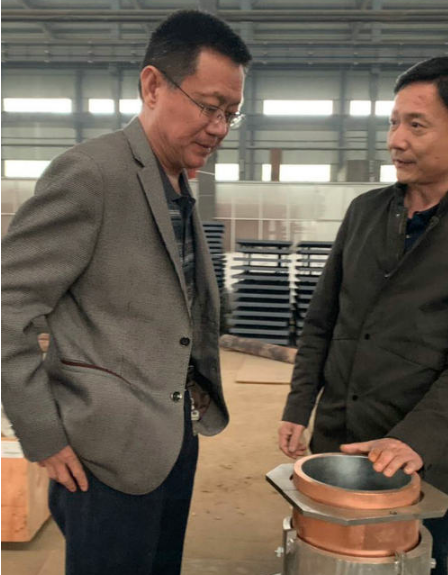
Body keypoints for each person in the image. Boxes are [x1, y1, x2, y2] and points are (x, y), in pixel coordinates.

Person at [2, 10, 251, 575]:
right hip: (103, 457)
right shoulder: (91, 175)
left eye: (230, 114)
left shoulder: (176, 181)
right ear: (153, 86)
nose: (218, 128)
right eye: (209, 106)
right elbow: (6, 309)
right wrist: (41, 434)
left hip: (171, 439)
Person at [278, 56, 448, 574]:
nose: (396, 140)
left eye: (416, 126)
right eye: (394, 122)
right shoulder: (364, 213)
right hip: (336, 452)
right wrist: (298, 405)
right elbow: (322, 321)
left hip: (421, 469)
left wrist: (414, 440)